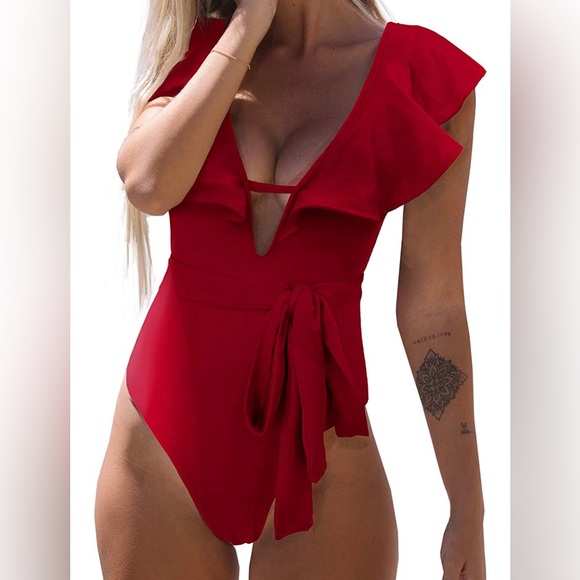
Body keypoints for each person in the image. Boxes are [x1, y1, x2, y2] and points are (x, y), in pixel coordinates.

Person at [94, 0, 487, 578]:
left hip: (325, 460)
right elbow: (147, 184)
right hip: (159, 455)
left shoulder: (421, 78)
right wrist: (248, 27)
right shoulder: (201, 53)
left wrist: (467, 506)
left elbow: (434, 307)